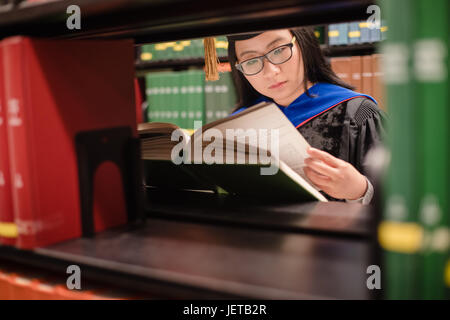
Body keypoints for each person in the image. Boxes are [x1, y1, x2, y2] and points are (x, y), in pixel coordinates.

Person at [225, 27, 387, 204]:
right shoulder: (238, 125)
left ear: (303, 44)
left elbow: (402, 203)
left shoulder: (359, 113)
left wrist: (360, 190)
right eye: (250, 61)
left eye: (279, 50)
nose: (271, 71)